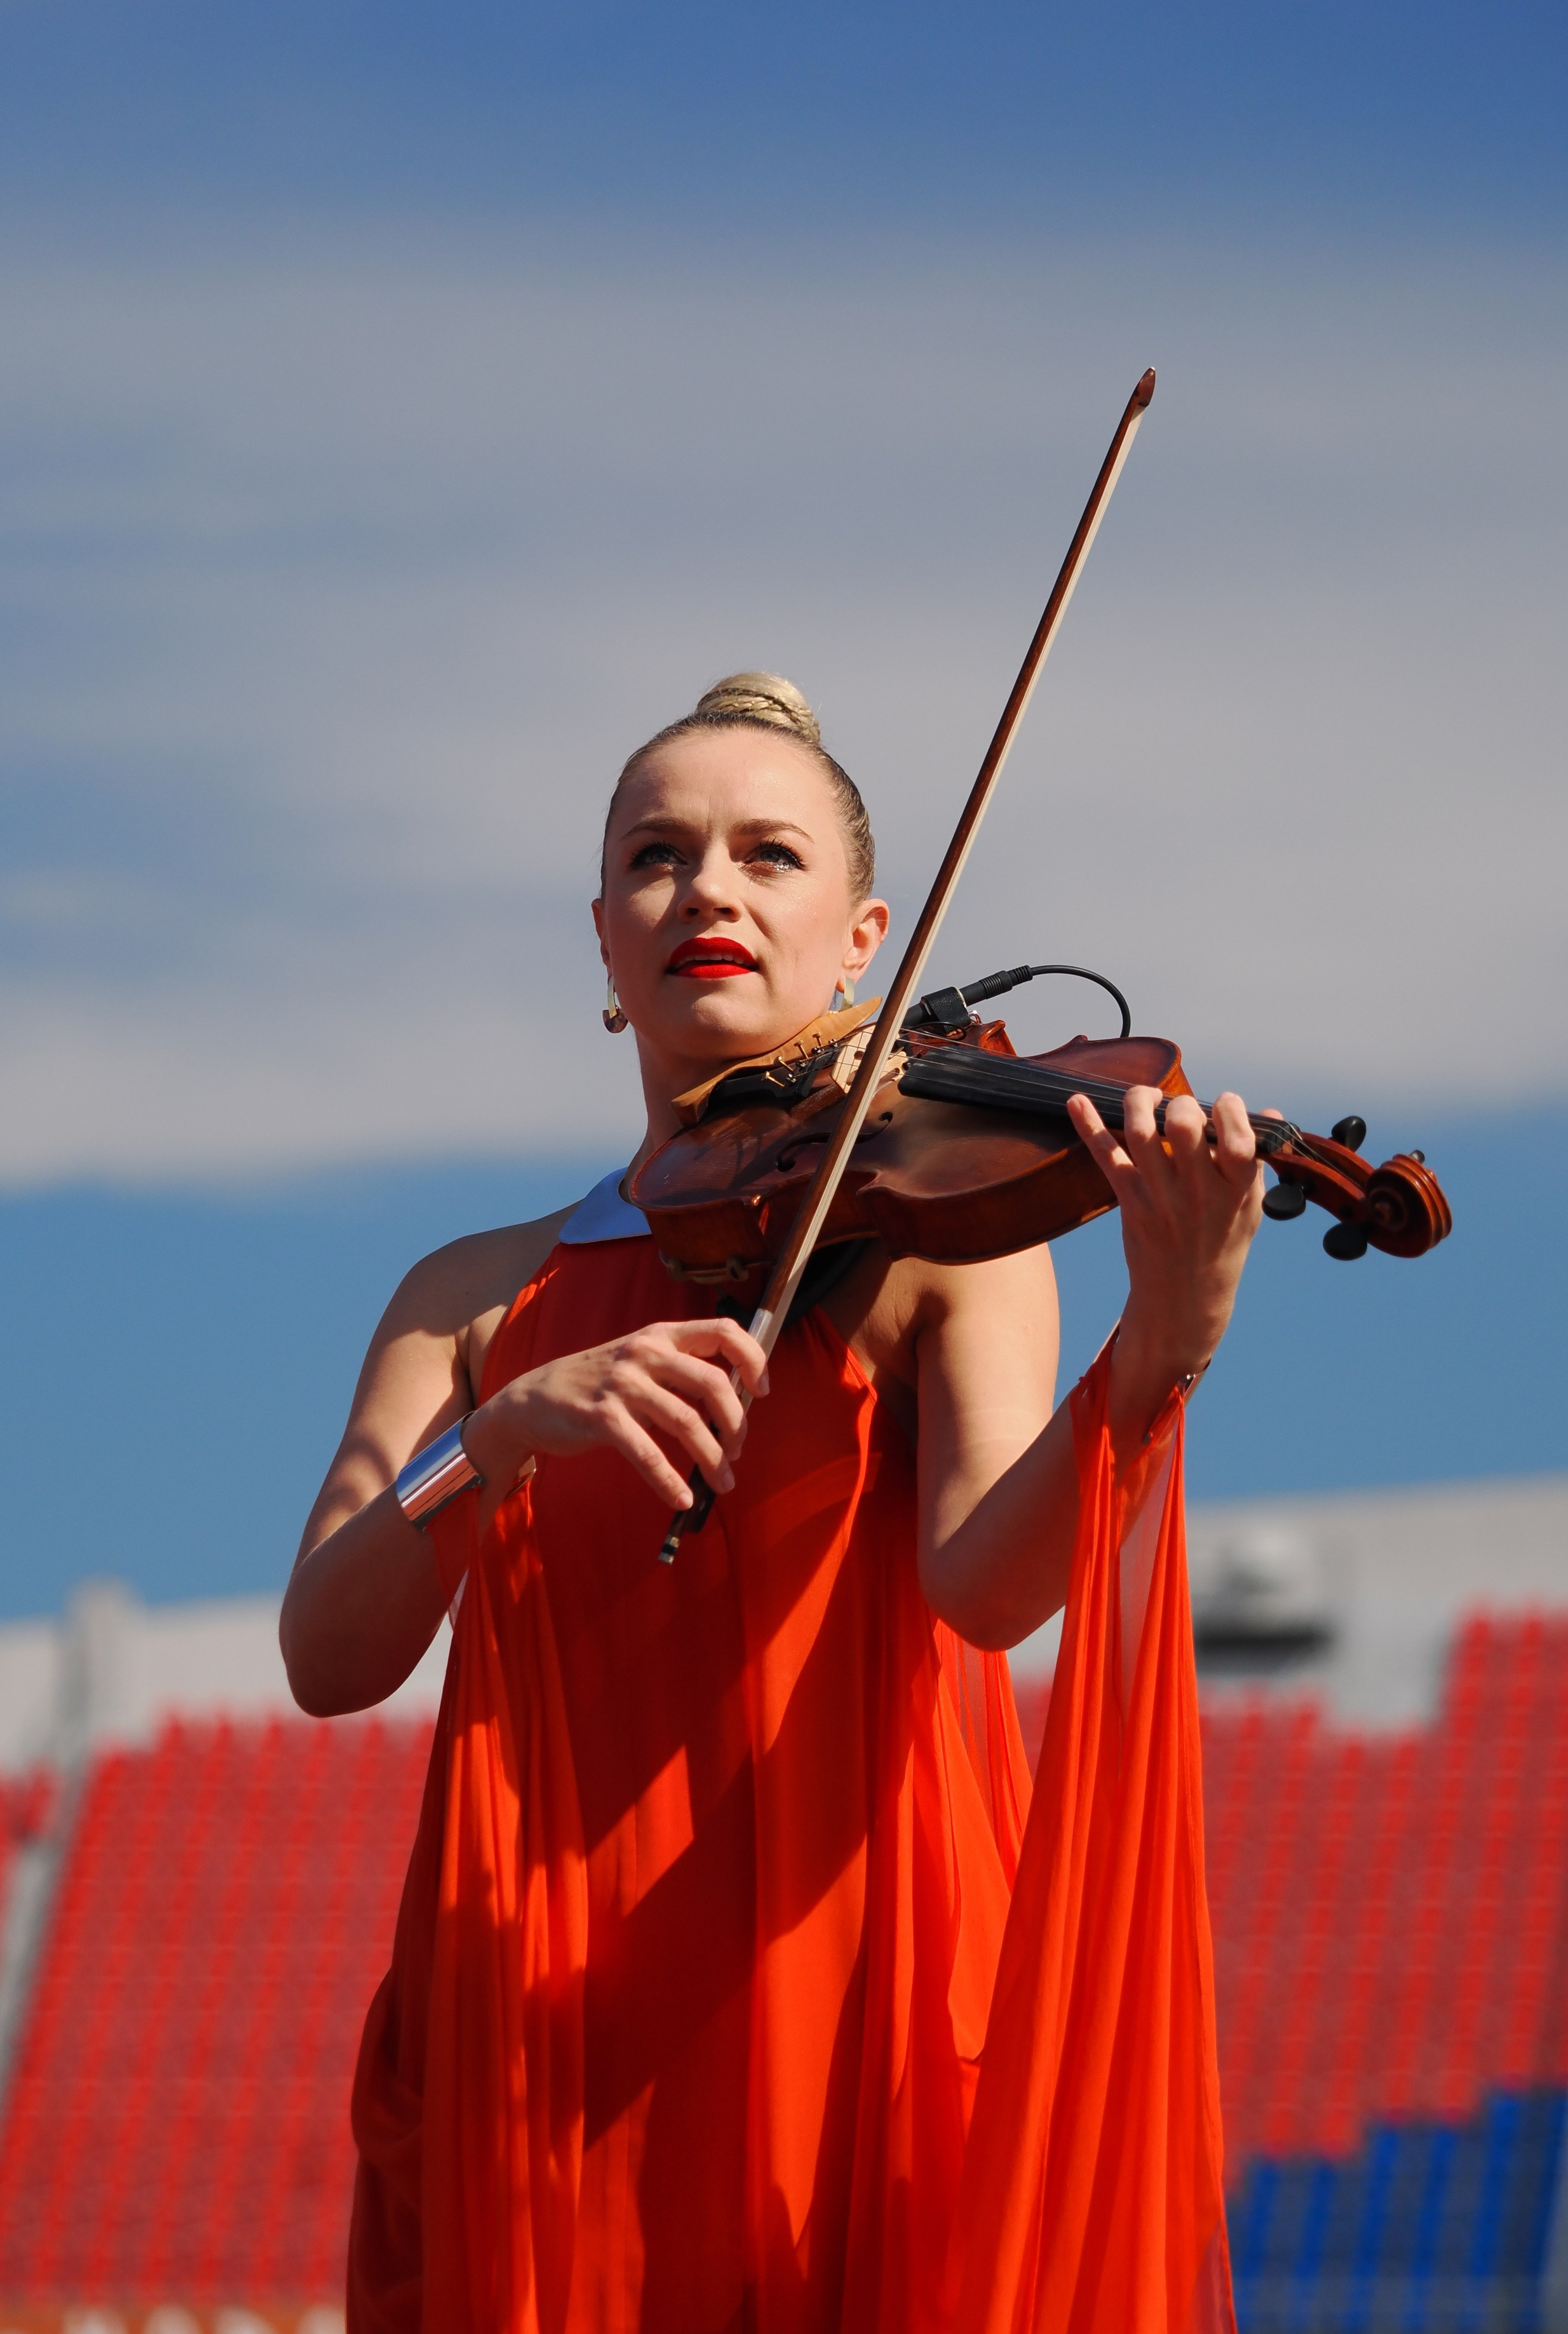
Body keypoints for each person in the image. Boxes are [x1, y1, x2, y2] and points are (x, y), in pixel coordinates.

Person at [280, 674, 1264, 2334]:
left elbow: (983, 1586)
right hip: (538, 2023)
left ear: (864, 934)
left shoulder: (942, 1241)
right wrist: (497, 1440)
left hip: (843, 1998)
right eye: (658, 856)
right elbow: (327, 1648)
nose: (710, 888)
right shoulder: (470, 1294)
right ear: (605, 936)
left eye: (768, 854)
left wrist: (1158, 1348)